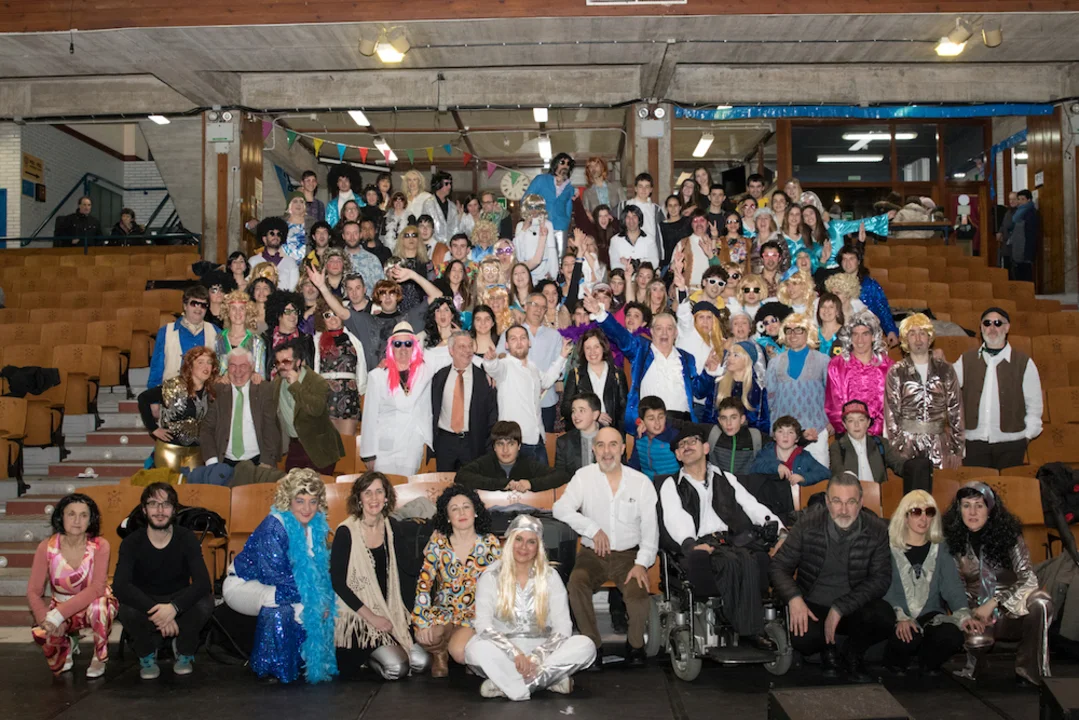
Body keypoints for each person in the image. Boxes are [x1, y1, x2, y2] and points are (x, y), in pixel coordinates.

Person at [656, 425, 784, 647]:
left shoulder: (726, 478)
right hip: (701, 543)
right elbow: (675, 517)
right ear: (677, 455)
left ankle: (741, 624)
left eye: (692, 441)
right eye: (682, 445)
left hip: (731, 540)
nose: (687, 446)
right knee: (730, 562)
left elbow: (752, 506)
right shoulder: (672, 484)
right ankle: (746, 629)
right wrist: (690, 544)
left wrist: (779, 530)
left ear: (706, 448)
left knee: (749, 559)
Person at [769, 473, 893, 683]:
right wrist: (794, 599)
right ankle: (827, 649)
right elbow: (778, 566)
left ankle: (853, 652)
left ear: (861, 503)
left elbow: (881, 579)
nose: (843, 510)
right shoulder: (806, 525)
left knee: (884, 617)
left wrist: (840, 608)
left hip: (853, 606)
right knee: (802, 637)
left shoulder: (877, 530)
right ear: (827, 502)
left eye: (850, 502)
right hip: (813, 605)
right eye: (837, 501)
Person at [554, 427, 658, 668]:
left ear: (623, 448)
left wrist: (642, 563)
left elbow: (650, 530)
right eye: (601, 445)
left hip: (629, 555)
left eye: (613, 445)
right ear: (594, 450)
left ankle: (635, 646)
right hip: (592, 555)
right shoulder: (583, 476)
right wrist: (591, 528)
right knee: (576, 584)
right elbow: (560, 508)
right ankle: (592, 647)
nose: (607, 451)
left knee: (638, 593)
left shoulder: (641, 483)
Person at [465, 514, 596, 699]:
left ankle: (509, 686)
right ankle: (548, 680)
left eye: (531, 542)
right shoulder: (491, 576)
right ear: (509, 541)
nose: (523, 547)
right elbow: (483, 625)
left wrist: (536, 657)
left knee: (586, 645)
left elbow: (563, 627)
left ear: (538, 546)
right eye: (518, 539)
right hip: (503, 652)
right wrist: (515, 653)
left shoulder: (550, 576)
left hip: (544, 651)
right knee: (473, 650)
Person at [223, 470, 337, 684]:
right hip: (243, 584)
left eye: (313, 501)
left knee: (319, 606)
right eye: (300, 501)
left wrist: (323, 598)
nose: (307, 508)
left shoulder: (315, 527)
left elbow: (318, 572)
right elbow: (275, 577)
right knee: (282, 603)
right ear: (289, 500)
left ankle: (298, 662)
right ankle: (270, 665)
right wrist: (316, 600)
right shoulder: (273, 526)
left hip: (286, 587)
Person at [944, 481, 1053, 685]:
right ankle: (978, 665)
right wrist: (971, 613)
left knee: (1041, 601)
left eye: (979, 505)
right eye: (966, 505)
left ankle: (1029, 671)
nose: (972, 512)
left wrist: (995, 602)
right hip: (975, 609)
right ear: (959, 510)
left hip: (1012, 607)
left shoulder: (1010, 536)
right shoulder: (952, 541)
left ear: (990, 509)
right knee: (977, 641)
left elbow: (1027, 577)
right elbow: (954, 588)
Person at [331, 472, 430, 680]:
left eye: (379, 492)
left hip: (389, 610)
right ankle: (365, 657)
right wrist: (373, 618)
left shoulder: (391, 526)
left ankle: (381, 651)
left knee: (422, 662)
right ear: (359, 498)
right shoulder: (345, 531)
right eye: (367, 493)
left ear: (386, 497)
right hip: (359, 616)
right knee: (397, 667)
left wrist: (430, 548)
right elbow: (338, 584)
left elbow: (410, 567)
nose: (374, 498)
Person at [113, 483, 214, 680]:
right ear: (144, 510)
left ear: (174, 510)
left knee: (205, 602)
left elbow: (203, 582)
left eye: (166, 504)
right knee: (126, 608)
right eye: (153, 504)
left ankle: (184, 650)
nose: (160, 511)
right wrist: (158, 612)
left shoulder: (186, 538)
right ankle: (146, 653)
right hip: (146, 602)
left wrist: (174, 608)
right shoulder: (131, 542)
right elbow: (120, 586)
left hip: (178, 600)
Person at [584, 293, 717, 428]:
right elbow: (621, 336)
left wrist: (709, 371)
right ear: (652, 332)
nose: (664, 333)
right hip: (650, 425)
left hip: (683, 425)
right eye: (659, 328)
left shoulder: (687, 358)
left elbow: (699, 392)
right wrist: (600, 313)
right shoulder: (641, 350)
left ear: (676, 333)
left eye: (669, 328)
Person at [413, 485, 502, 676]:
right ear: (447, 516)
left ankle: (463, 647)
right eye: (454, 509)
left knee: (460, 652)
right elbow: (424, 584)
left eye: (466, 507)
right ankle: (439, 653)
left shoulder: (490, 543)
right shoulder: (438, 543)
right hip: (444, 611)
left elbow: (502, 585)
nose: (461, 513)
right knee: (426, 635)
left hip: (475, 614)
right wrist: (422, 621)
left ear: (475, 512)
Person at [882, 490, 973, 676]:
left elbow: (952, 587)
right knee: (907, 637)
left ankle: (927, 664)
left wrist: (964, 614)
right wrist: (900, 617)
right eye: (916, 512)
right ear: (905, 516)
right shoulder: (888, 547)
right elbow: (884, 587)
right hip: (896, 614)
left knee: (952, 635)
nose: (923, 518)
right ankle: (894, 663)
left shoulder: (941, 547)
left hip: (931, 615)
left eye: (929, 512)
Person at [28, 493, 118, 678]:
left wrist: (58, 615)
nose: (77, 521)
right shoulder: (46, 547)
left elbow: (97, 588)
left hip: (92, 604)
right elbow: (33, 591)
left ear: (91, 520)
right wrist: (46, 619)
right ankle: (65, 645)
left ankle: (99, 656)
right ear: (61, 516)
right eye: (71, 514)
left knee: (100, 607)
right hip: (61, 606)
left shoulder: (101, 545)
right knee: (40, 631)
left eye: (84, 515)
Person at [954, 307, 1042, 470]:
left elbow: (1034, 405)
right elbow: (946, 386)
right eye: (987, 323)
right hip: (974, 442)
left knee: (1008, 486)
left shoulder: (1023, 362)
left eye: (998, 323)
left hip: (1011, 444)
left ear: (1007, 328)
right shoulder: (966, 359)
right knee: (976, 485)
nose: (992, 328)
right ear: (981, 328)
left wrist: (1027, 436)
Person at [309, 265, 430, 371]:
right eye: (383, 294)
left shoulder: (408, 318)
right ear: (377, 297)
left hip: (404, 381)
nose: (388, 298)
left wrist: (413, 276)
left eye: (392, 293)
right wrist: (322, 287)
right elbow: (340, 312)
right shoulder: (367, 321)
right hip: (375, 382)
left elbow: (436, 297)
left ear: (398, 296)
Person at [884, 313, 964, 470]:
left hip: (939, 445)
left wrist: (957, 448)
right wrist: (897, 448)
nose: (918, 339)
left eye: (922, 333)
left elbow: (956, 410)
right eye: (912, 334)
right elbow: (891, 414)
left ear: (929, 338)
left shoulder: (945, 370)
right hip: (907, 446)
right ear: (906, 339)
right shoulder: (896, 372)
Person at [484, 325, 571, 465]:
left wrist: (562, 356)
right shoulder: (505, 365)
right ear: (506, 345)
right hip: (514, 443)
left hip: (538, 439)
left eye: (523, 338)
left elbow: (547, 381)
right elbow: (494, 368)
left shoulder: (532, 367)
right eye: (513, 339)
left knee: (543, 479)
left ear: (529, 342)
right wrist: (490, 360)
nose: (519, 342)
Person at [359, 322, 434, 476]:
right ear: (391, 347)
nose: (403, 348)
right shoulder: (377, 376)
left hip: (412, 445)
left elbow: (451, 354)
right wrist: (368, 454)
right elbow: (369, 416)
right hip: (384, 448)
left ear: (414, 347)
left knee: (406, 488)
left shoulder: (425, 371)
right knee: (385, 487)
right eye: (398, 344)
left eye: (408, 343)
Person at [765, 313, 831, 466]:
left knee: (819, 476)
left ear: (808, 332)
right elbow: (770, 398)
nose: (793, 334)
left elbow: (832, 396)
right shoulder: (774, 363)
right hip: (784, 434)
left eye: (799, 330)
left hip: (816, 430)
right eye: (788, 330)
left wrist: (830, 423)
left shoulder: (823, 360)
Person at [139, 346, 217, 472]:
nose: (206, 366)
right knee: (168, 483)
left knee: (193, 484)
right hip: (170, 449)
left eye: (209, 362)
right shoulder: (173, 386)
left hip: (197, 451)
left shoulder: (212, 390)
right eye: (200, 362)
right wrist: (153, 428)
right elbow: (143, 398)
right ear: (190, 366)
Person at [273, 338, 345, 474]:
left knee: (317, 486)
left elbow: (315, 409)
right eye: (278, 363)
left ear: (298, 362)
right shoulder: (277, 383)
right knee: (291, 486)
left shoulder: (317, 381)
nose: (281, 366)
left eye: (286, 362)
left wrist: (296, 386)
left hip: (319, 449)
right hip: (294, 447)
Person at [201, 348, 280, 469]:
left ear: (251, 367)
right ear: (227, 367)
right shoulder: (217, 390)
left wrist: (267, 461)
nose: (237, 371)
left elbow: (271, 427)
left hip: (257, 461)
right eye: (233, 365)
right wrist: (212, 462)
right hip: (223, 462)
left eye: (243, 366)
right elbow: (207, 428)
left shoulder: (264, 389)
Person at [431, 331, 498, 472]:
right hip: (445, 442)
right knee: (444, 482)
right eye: (462, 346)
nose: (467, 350)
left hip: (473, 442)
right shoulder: (439, 377)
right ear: (451, 350)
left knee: (471, 482)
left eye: (470, 346)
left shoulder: (484, 378)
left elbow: (492, 414)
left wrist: (489, 446)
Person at [825, 310, 894, 437]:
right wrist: (850, 430)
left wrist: (875, 430)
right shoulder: (837, 365)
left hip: (880, 436)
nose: (860, 340)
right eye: (855, 334)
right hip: (846, 435)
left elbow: (892, 404)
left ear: (873, 336)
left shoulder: (888, 366)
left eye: (865, 334)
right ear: (849, 338)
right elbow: (833, 405)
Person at [457, 421, 566, 492]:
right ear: (494, 447)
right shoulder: (485, 462)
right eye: (500, 444)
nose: (505, 450)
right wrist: (500, 484)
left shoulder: (528, 464)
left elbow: (561, 475)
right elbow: (461, 476)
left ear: (519, 446)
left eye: (511, 444)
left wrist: (531, 484)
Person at [313, 298, 368, 436]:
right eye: (327, 315)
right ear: (322, 319)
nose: (332, 318)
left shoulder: (354, 338)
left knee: (347, 442)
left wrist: (362, 389)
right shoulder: (316, 340)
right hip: (325, 396)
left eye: (335, 313)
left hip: (349, 395)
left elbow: (362, 365)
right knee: (329, 443)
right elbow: (315, 369)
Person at [148, 285, 219, 389]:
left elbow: (221, 367)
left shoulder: (216, 332)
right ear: (185, 306)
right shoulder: (165, 332)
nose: (198, 308)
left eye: (203, 305)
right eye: (194, 303)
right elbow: (157, 369)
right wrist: (153, 396)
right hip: (172, 393)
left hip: (206, 393)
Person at [559, 328, 628, 432]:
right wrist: (594, 415)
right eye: (588, 348)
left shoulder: (617, 374)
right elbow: (565, 408)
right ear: (583, 350)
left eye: (596, 347)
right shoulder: (575, 374)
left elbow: (624, 409)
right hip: (584, 431)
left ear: (603, 348)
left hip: (611, 431)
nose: (592, 352)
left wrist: (619, 435)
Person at [835, 246, 899, 346]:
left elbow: (882, 308)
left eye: (851, 259)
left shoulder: (870, 284)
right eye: (844, 259)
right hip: (842, 334)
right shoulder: (835, 284)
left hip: (867, 333)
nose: (847, 263)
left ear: (859, 261)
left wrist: (890, 330)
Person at [715, 341, 769, 434]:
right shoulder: (718, 384)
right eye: (729, 354)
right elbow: (710, 415)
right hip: (721, 436)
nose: (730, 358)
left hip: (748, 437)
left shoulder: (758, 389)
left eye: (736, 355)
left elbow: (763, 421)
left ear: (747, 359)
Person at [214, 289, 268, 377]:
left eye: (241, 308)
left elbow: (260, 376)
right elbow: (214, 372)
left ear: (247, 312)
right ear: (227, 312)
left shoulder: (256, 341)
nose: (238, 313)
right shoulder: (218, 339)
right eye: (233, 308)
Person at [707, 397, 764, 476]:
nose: (728, 423)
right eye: (724, 418)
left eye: (733, 418)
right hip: (717, 483)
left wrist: (777, 467)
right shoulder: (712, 434)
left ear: (742, 419)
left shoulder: (755, 437)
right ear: (719, 420)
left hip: (746, 483)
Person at [525, 152, 575, 239]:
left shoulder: (570, 188)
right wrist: (531, 219)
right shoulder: (541, 180)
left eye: (568, 164)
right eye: (562, 162)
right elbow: (526, 200)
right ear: (555, 163)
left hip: (561, 228)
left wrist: (566, 223)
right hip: (540, 226)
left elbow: (568, 209)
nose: (565, 166)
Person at [554, 392, 604, 478]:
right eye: (573, 411)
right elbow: (559, 477)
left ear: (595, 415)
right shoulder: (564, 442)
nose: (575, 415)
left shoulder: (612, 438)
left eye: (581, 410)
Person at [250, 217, 300, 291]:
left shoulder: (290, 262)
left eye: (279, 234)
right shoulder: (253, 261)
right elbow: (250, 285)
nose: (276, 237)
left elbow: (293, 288)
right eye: (272, 233)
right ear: (264, 239)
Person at [1000, 189, 1039, 282]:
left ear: (1028, 200)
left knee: (1025, 276)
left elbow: (1029, 234)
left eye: (1022, 199)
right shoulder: (1017, 212)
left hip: (1025, 249)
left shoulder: (1030, 213)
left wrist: (1026, 253)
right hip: (1016, 248)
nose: (1020, 201)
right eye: (1019, 199)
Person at [422, 171, 461, 246]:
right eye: (446, 184)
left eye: (450, 184)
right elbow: (425, 227)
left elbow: (455, 229)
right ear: (438, 184)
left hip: (450, 247)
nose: (449, 187)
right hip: (433, 246)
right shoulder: (428, 204)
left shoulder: (452, 206)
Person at [582, 156, 626, 222]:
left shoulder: (616, 186)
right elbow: (586, 215)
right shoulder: (587, 193)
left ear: (602, 167)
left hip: (617, 224)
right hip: (597, 226)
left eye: (596, 165)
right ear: (588, 170)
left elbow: (625, 207)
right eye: (590, 166)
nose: (593, 168)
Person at [325, 164, 361, 230]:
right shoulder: (331, 205)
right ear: (336, 183)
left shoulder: (360, 201)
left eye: (346, 180)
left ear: (351, 182)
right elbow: (329, 227)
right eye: (340, 180)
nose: (343, 183)